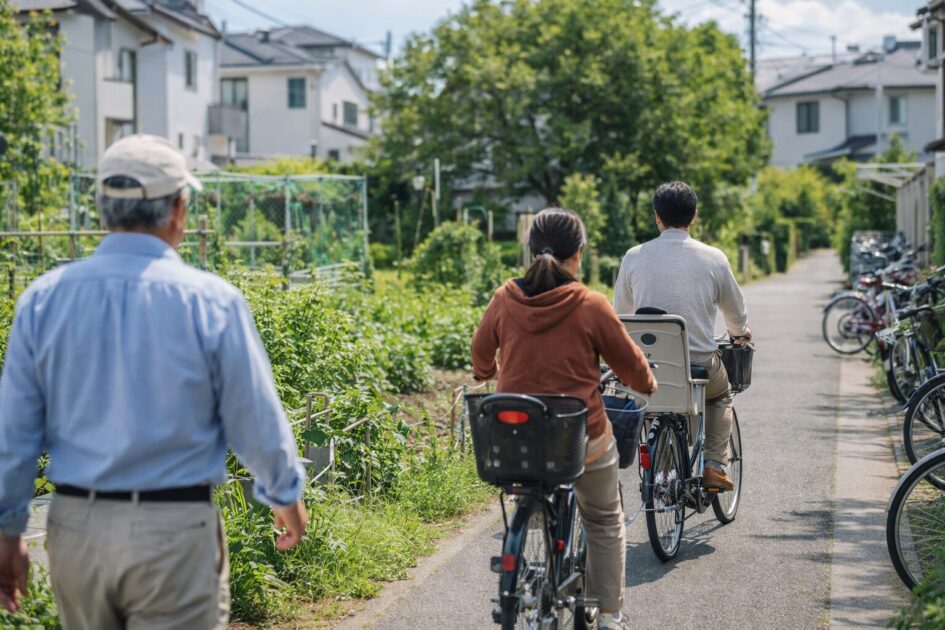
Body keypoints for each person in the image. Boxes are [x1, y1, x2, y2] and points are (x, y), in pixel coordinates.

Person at [0, 134, 308, 629]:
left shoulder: (43, 300)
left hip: (76, 528)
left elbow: (13, 433)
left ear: (101, 209)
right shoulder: (210, 301)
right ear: (179, 209)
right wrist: (285, 494)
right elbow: (253, 418)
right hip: (174, 531)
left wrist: (8, 529)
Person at [471, 207, 655, 630]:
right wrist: (646, 384)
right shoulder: (589, 304)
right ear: (580, 253)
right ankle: (609, 616)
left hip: (513, 435)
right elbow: (631, 367)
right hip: (577, 437)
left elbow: (480, 354)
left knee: (531, 470)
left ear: (531, 250)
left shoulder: (505, 297)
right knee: (605, 519)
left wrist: (488, 372)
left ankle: (530, 513)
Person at [613, 181, 750, 490]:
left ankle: (662, 472)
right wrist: (739, 333)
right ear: (694, 216)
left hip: (649, 365)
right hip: (699, 364)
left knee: (652, 400)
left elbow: (620, 313)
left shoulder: (633, 256)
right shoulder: (714, 258)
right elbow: (735, 312)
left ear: (657, 217)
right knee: (722, 394)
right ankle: (715, 463)